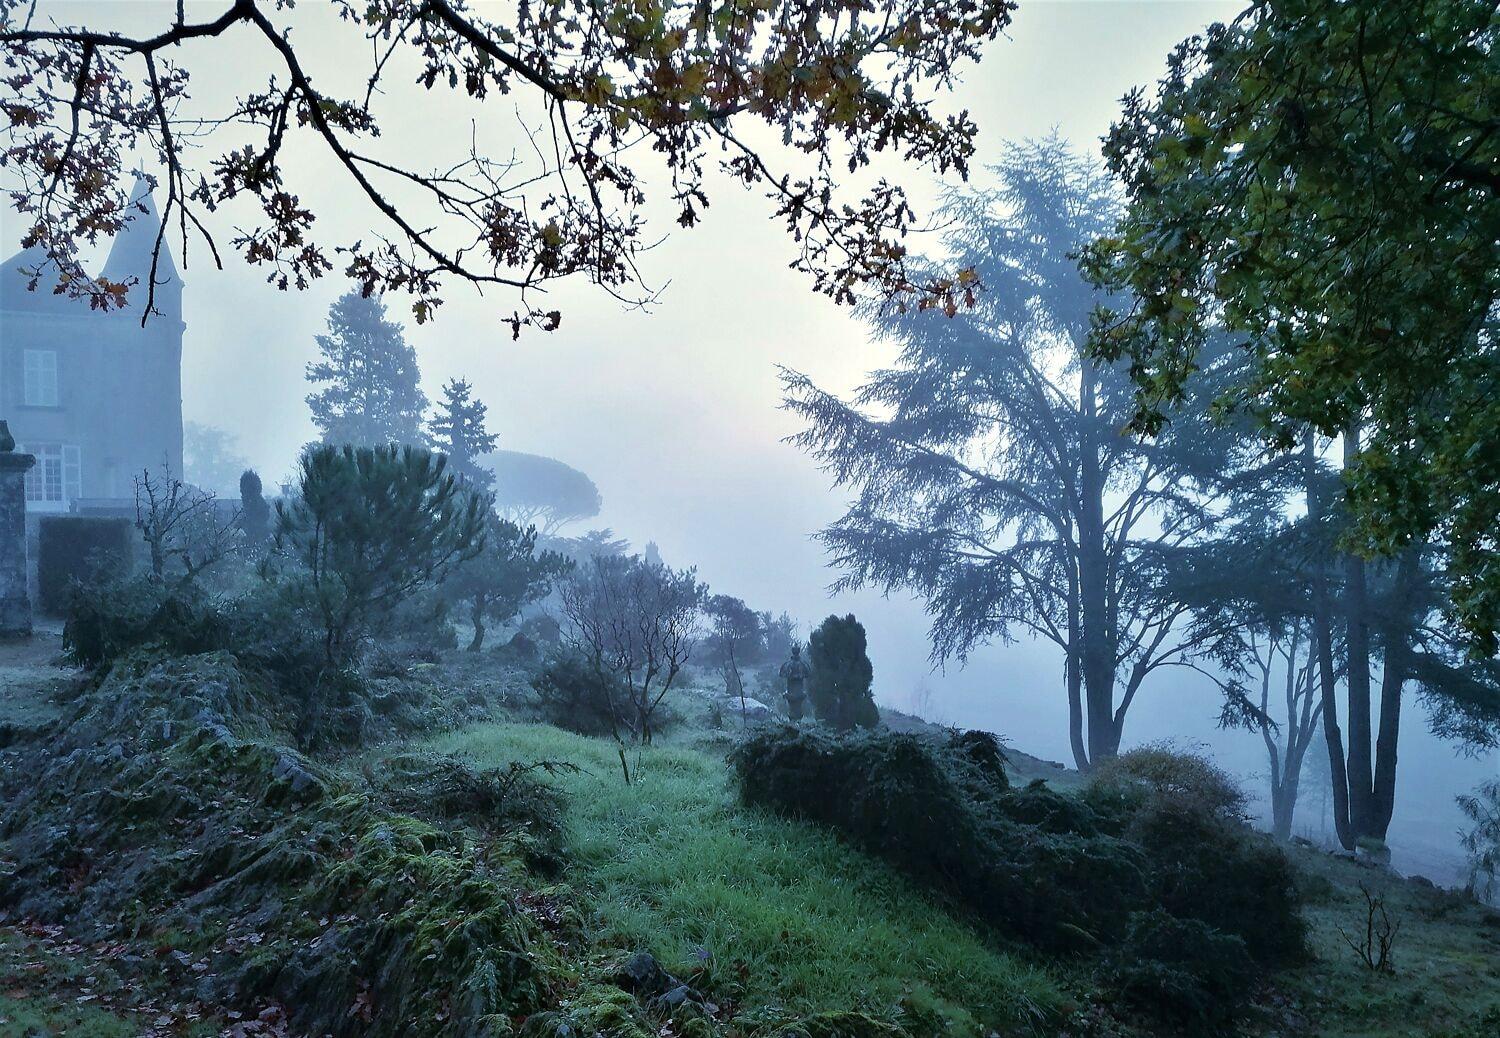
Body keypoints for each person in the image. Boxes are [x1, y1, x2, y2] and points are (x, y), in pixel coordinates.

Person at [779, 644, 809, 720]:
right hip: (797, 693)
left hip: (793, 693)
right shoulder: (802, 665)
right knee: (795, 711)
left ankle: (794, 722)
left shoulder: (788, 665)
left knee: (794, 712)